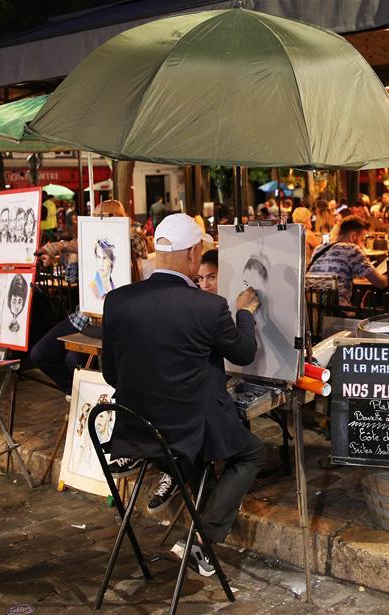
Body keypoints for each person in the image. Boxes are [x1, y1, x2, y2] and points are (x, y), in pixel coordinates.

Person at [104, 213, 263, 576]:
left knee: (193, 459)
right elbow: (243, 352)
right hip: (190, 430)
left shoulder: (117, 300)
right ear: (193, 254)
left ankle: (200, 536)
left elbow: (112, 372)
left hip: (139, 432)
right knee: (253, 453)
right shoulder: (208, 307)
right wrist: (245, 312)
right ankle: (204, 542)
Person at [30, 200, 150, 395]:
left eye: (108, 217)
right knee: (40, 354)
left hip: (117, 320)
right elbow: (71, 277)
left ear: (122, 218)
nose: (100, 221)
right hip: (85, 316)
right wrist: (75, 250)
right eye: (96, 217)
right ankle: (78, 395)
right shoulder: (85, 242)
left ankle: (93, 399)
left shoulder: (132, 238)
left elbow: (134, 244)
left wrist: (66, 245)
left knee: (74, 360)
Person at [148, 247, 220, 514]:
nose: (204, 285)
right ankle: (177, 471)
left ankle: (180, 473)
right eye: (200, 279)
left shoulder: (217, 308)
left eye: (211, 277)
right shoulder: (195, 307)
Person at [307, 215, 387, 310]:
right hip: (339, 313)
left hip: (313, 311)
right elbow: (380, 283)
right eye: (362, 240)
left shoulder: (319, 249)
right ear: (353, 237)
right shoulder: (352, 249)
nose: (362, 245)